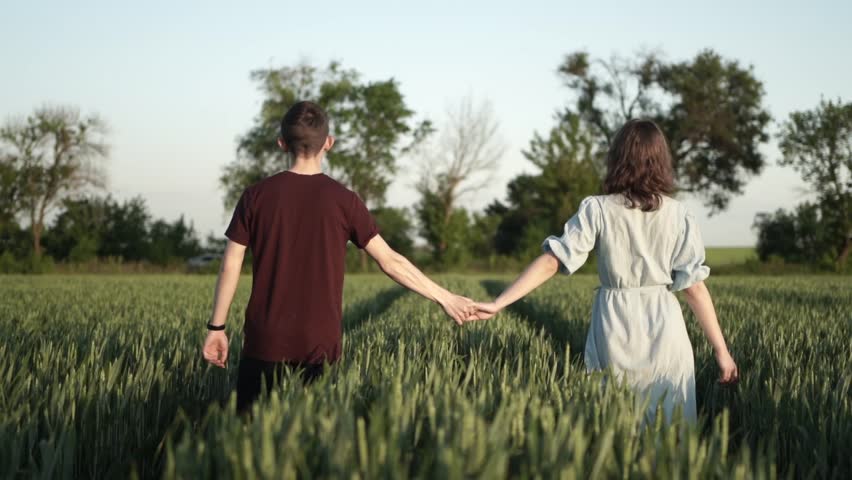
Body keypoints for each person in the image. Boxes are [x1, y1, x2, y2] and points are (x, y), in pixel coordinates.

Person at [202, 101, 475, 413]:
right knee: (314, 444)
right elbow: (390, 261)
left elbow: (231, 264)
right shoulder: (345, 201)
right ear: (328, 144)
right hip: (320, 345)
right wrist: (445, 297)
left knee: (251, 443)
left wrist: (216, 328)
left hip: (264, 341)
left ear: (282, 144)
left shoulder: (256, 196)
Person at [472, 119, 739, 424]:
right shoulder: (679, 214)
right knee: (671, 427)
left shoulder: (597, 209)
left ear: (617, 158)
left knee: (615, 424)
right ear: (661, 160)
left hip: (615, 323)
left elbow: (552, 260)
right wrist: (721, 350)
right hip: (665, 325)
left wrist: (499, 302)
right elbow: (694, 288)